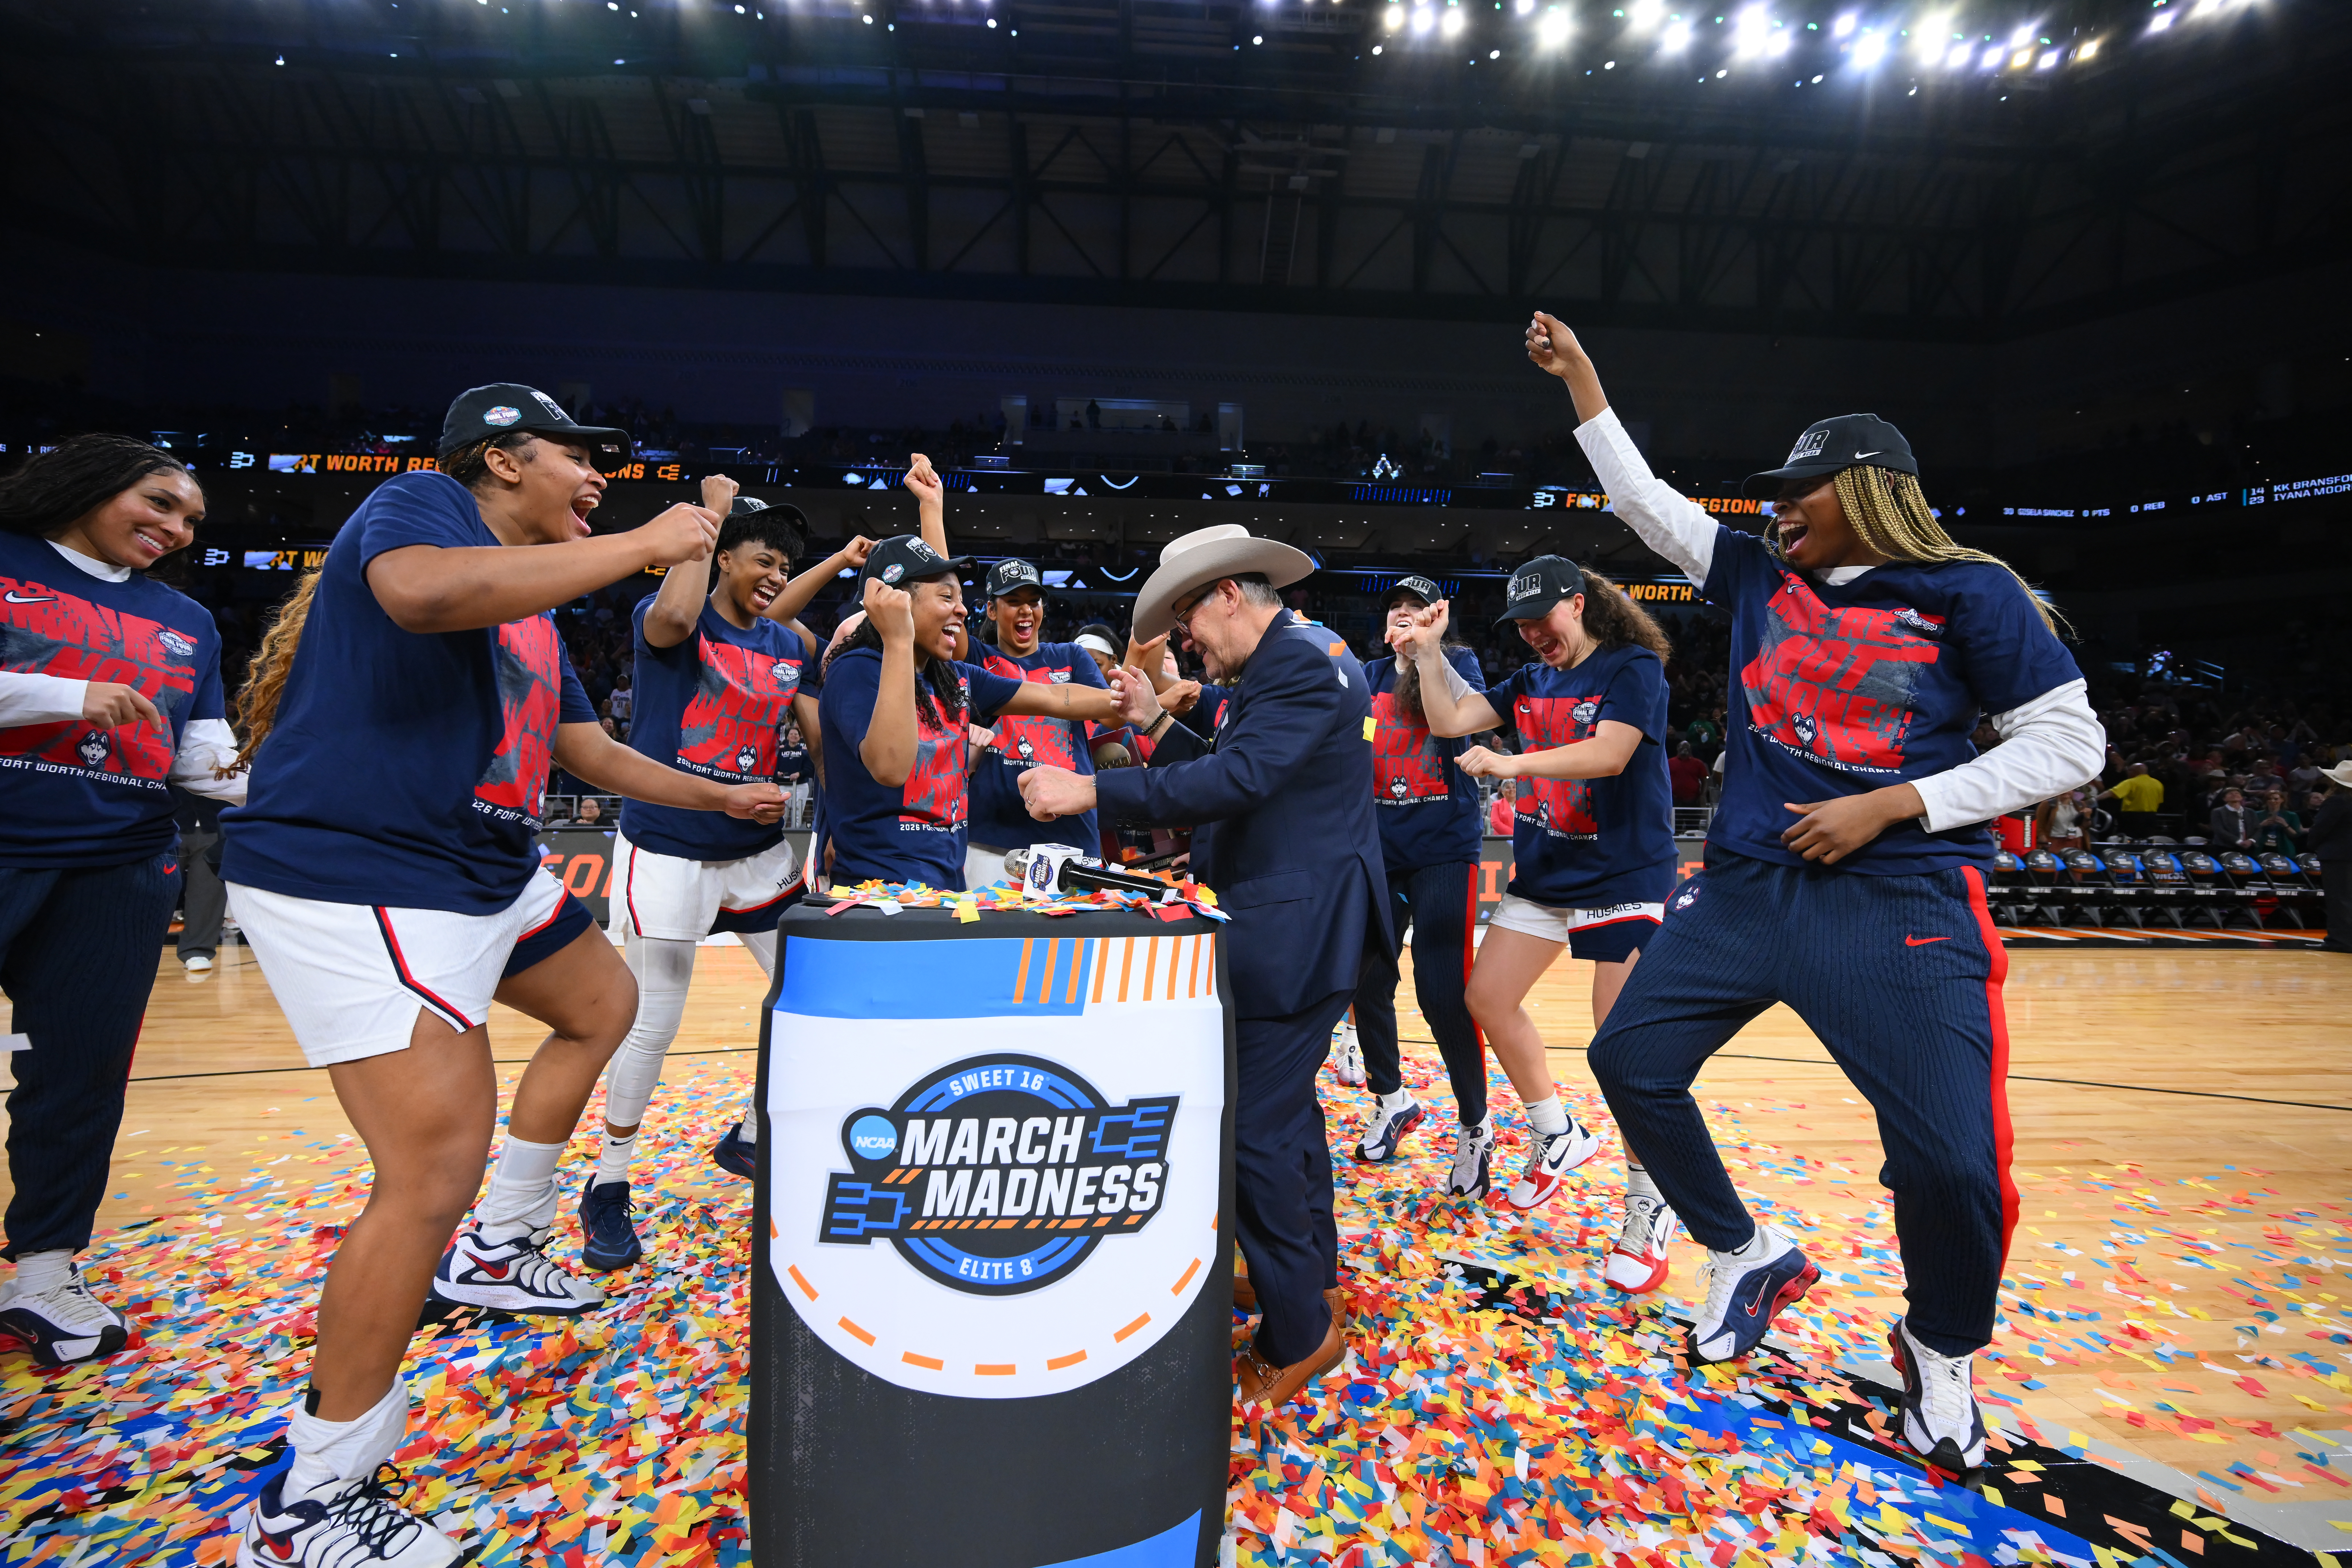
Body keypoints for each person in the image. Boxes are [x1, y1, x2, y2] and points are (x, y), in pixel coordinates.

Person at [1524, 311, 2103, 1473]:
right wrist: (1585, 380)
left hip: (1900, 898)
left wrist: (1900, 801)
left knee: (1952, 1164)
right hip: (1743, 888)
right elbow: (1644, 503)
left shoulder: (1969, 591)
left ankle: (1940, 1348)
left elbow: (2072, 741)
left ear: (1874, 490)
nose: (1779, 504)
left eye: (1803, 486)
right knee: (1631, 1061)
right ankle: (1744, 1253)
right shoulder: (1753, 572)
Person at [219, 385, 786, 1568]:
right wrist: (647, 543)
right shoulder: (421, 508)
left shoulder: (536, 605)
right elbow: (418, 594)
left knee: (603, 1001)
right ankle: (309, 1499)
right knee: (430, 1167)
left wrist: (717, 795)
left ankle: (500, 1245)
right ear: (497, 458)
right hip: (361, 867)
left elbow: (587, 748)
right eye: (580, 459)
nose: (601, 480)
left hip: (481, 861)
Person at [1019, 524, 1391, 1411]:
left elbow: (1244, 779)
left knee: (1252, 1126)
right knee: (1284, 1111)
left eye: (1189, 613)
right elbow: (1239, 770)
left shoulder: (1296, 662)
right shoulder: (1299, 658)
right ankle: (1306, 1280)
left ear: (1230, 591)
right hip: (1298, 922)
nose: (1188, 635)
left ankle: (1301, 1330)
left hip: (1296, 928)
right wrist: (1153, 720)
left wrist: (1091, 789)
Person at [0, 435, 242, 1369]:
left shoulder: (187, 619)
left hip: (117, 868)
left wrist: (319, 785)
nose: (177, 529)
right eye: (161, 503)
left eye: (190, 520)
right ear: (88, 484)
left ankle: (46, 1269)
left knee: (80, 1077)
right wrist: (61, 696)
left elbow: (203, 761)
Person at [584, 474, 856, 1267]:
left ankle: (751, 1134)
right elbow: (674, 612)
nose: (773, 576)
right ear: (720, 556)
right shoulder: (672, 617)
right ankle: (609, 1182)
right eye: (761, 561)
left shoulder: (785, 643)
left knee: (818, 991)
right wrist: (708, 517)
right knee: (655, 1022)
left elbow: (797, 617)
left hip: (757, 855)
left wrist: (830, 564)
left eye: (783, 566)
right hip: (669, 846)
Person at [1402, 561, 1681, 1289]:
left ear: (1579, 605)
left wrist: (1512, 760)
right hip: (1548, 872)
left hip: (1623, 876)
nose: (1532, 635)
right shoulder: (1529, 683)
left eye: (1542, 619)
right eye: (1520, 626)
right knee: (1486, 999)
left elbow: (1610, 753)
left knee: (1622, 1050)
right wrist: (1431, 655)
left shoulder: (1633, 667)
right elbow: (1448, 719)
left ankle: (1651, 1203)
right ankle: (1557, 1132)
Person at [818, 536, 1119, 892]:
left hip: (947, 888)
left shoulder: (952, 676)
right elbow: (891, 766)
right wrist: (898, 638)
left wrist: (1126, 702)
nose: (962, 611)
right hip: (880, 896)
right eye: (947, 598)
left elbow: (1054, 697)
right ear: (895, 602)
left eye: (960, 599)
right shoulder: (856, 670)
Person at [1342, 576, 1495, 1197]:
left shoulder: (1458, 663)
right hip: (1380, 854)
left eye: (1416, 611)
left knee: (1443, 993)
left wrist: (1426, 652)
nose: (1402, 619)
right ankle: (1392, 1099)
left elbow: (1471, 727)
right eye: (1394, 612)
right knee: (1365, 978)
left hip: (1442, 853)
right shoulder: (1366, 674)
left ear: (1435, 620)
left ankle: (1475, 1126)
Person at [961, 557, 1122, 889]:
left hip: (1071, 837)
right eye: (1013, 602)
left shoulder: (1071, 656)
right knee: (991, 939)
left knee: (1074, 942)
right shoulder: (977, 658)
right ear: (991, 610)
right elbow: (942, 606)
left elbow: (1111, 716)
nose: (1026, 611)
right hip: (993, 838)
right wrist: (933, 508)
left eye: (1033, 602)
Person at [173, 785, 231, 972]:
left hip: (215, 822)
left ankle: (197, 951)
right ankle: (139, 949)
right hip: (167, 822)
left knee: (207, 893)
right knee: (152, 890)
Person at [2308, 761, 2352, 954]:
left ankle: (2340, 941)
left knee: (2338, 899)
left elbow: (2322, 828)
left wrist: (2312, 845)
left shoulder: (2338, 801)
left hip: (2338, 856)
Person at [2099, 761, 2164, 840]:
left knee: (2129, 840)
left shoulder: (2131, 782)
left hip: (2132, 818)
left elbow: (2112, 793)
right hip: (2151, 817)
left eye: (2129, 770)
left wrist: (2093, 800)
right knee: (2147, 840)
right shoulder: (2158, 784)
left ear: (2135, 772)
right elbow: (2159, 802)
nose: (2127, 772)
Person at [2253, 788, 2302, 856]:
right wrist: (2262, 825)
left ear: (2282, 800)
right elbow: (2250, 832)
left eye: (2276, 799)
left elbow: (2296, 835)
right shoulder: (2257, 814)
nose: (2273, 801)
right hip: (2260, 847)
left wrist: (2285, 825)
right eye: (2269, 799)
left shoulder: (2292, 816)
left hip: (2284, 848)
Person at [2208, 786, 2254, 851]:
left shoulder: (2250, 812)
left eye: (2237, 793)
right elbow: (2219, 830)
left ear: (2242, 798)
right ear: (2225, 799)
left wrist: (2250, 841)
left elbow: (2257, 828)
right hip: (2225, 847)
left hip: (2248, 847)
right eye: (2231, 794)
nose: (2234, 795)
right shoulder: (2218, 812)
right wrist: (2239, 842)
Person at [1668, 741, 1708, 807]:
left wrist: (1703, 795)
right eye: (1683, 746)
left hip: (1694, 800)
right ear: (1678, 748)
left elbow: (1705, 780)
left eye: (1687, 747)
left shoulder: (1698, 763)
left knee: (1693, 818)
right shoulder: (1670, 763)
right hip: (1674, 799)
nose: (1685, 748)